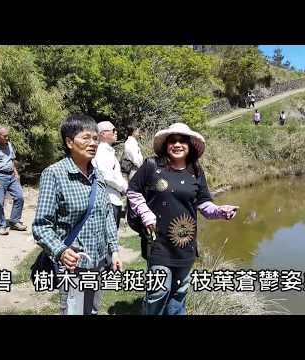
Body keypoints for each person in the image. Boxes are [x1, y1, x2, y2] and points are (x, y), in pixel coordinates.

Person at [127, 122, 239, 315]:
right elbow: (133, 191)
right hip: (158, 244)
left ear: (190, 146)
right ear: (166, 145)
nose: (177, 145)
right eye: (173, 141)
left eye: (182, 141)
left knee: (179, 293)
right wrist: (146, 213)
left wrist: (220, 211)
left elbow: (203, 204)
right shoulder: (152, 166)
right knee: (158, 292)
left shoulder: (196, 171)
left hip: (185, 247)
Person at [32, 114, 122, 315]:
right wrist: (61, 251)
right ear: (70, 142)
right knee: (73, 311)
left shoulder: (97, 174)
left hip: (98, 263)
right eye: (86, 138)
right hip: (73, 265)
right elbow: (41, 226)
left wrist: (113, 250)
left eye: (96, 139)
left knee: (92, 310)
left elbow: (106, 213)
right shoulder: (54, 174)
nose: (93, 143)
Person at [0, 125, 27, 235]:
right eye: (5, 136)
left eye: (8, 136)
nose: (7, 138)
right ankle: (1, 225)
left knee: (19, 197)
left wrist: (16, 174)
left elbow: (11, 161)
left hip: (11, 176)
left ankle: (14, 221)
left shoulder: (9, 145)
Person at [93, 121, 128, 229]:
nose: (116, 132)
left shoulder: (107, 151)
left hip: (114, 198)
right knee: (109, 238)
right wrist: (124, 187)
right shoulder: (102, 152)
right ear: (103, 134)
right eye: (113, 130)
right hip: (108, 199)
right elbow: (107, 176)